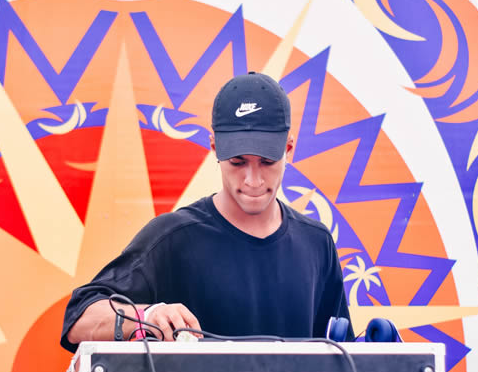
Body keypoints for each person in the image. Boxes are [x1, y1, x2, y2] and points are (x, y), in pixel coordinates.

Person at [60, 71, 353, 352]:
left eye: (267, 161)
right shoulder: (172, 238)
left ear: (289, 149)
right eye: (237, 162)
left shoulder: (317, 243)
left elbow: (344, 358)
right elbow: (78, 319)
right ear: (214, 147)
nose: (253, 180)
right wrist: (146, 315)